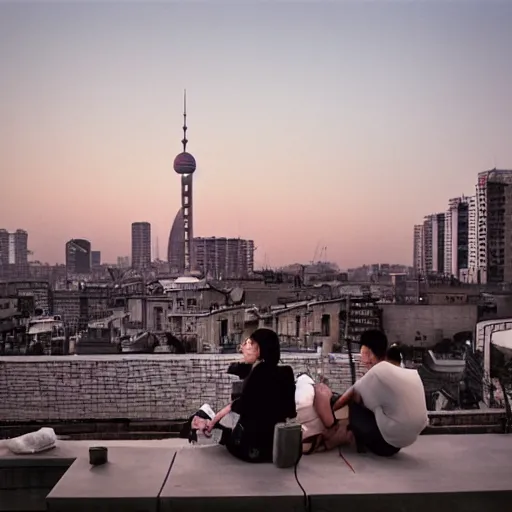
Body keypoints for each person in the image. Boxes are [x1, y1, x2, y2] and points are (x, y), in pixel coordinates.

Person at [181, 328, 296, 463]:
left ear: (259, 349)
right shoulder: (287, 372)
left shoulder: (258, 374)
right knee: (219, 424)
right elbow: (290, 412)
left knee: (199, 418)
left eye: (248, 343)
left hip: (251, 450)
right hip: (276, 448)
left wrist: (215, 420)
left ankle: (202, 426)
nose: (242, 348)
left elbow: (241, 407)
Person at [314, 329, 428, 457]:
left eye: (362, 352)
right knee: (369, 402)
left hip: (385, 446)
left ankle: (341, 437)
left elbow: (347, 397)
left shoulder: (376, 372)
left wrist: (328, 418)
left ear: (368, 353)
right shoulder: (404, 371)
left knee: (355, 403)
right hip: (403, 443)